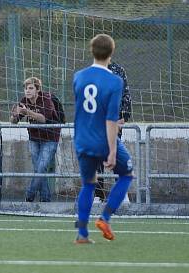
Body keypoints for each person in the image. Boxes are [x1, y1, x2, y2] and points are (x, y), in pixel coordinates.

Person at [72, 34, 134, 244]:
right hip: (103, 139)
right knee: (126, 174)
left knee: (88, 184)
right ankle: (105, 218)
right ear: (111, 52)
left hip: (82, 139)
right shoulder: (115, 81)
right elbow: (110, 119)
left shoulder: (78, 76)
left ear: (92, 51)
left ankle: (82, 233)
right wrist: (112, 150)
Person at [11, 76, 61, 203]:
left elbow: (44, 119)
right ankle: (45, 198)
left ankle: (29, 195)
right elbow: (14, 122)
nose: (27, 91)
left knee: (41, 167)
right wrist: (14, 115)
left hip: (50, 138)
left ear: (37, 90)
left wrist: (27, 112)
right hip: (34, 138)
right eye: (26, 88)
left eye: (31, 88)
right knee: (39, 168)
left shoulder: (46, 99)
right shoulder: (24, 101)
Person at [95, 60, 132, 201]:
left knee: (116, 155)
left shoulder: (118, 70)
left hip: (113, 120)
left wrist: (124, 115)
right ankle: (98, 194)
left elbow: (125, 94)